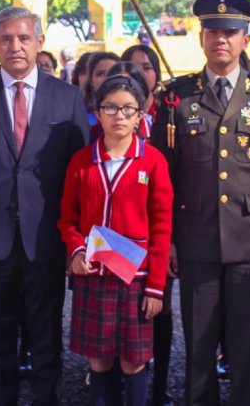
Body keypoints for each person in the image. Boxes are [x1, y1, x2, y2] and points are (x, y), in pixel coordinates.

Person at [151, 0, 250, 405]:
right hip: (196, 239)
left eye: (230, 32)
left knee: (248, 344)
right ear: (201, 37)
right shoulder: (177, 98)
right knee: (198, 343)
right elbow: (163, 178)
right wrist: (170, 238)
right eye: (213, 32)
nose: (221, 40)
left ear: (245, 38)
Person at [0, 6, 90, 404]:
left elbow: (80, 178)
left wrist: (75, 243)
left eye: (24, 38)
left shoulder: (68, 98)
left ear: (39, 43)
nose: (15, 46)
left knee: (46, 344)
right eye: (6, 39)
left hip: (46, 241)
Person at [59, 74, 173, 406]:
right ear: (97, 110)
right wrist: (77, 248)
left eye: (128, 109)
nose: (119, 116)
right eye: (110, 108)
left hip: (136, 281)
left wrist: (155, 287)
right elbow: (67, 218)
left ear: (141, 114)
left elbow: (163, 228)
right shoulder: (82, 161)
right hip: (94, 277)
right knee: (99, 359)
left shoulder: (153, 162)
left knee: (133, 360)